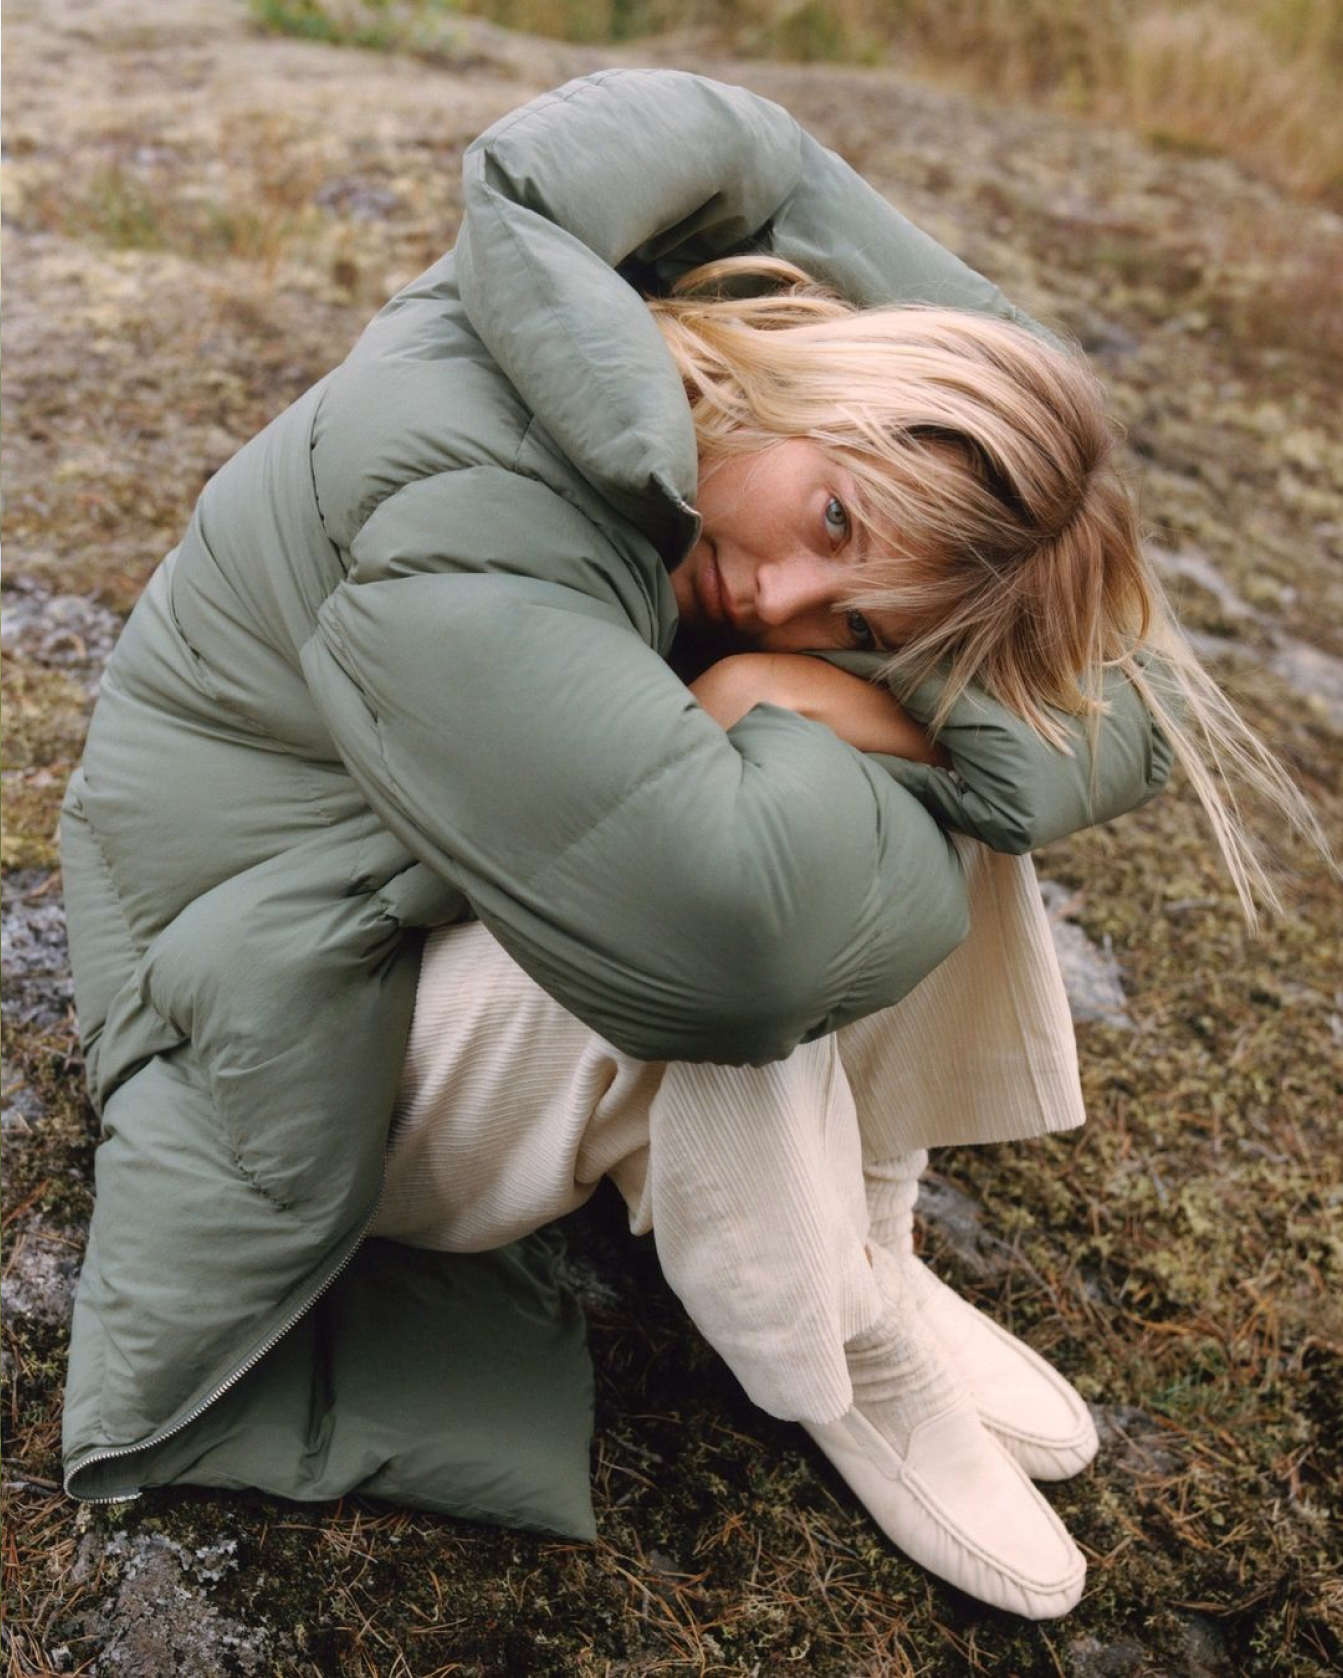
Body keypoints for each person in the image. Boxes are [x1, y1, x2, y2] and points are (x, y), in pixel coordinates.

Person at [57, 69, 1325, 1622]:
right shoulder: (460, 460)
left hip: (387, 916)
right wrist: (807, 710)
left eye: (847, 600)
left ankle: (868, 1234)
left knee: (885, 750)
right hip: (268, 1033)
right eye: (838, 516)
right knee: (741, 905)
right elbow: (721, 935)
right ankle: (836, 1349)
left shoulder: (702, 411)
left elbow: (1097, 705)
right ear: (828, 375)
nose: (784, 596)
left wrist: (805, 683)